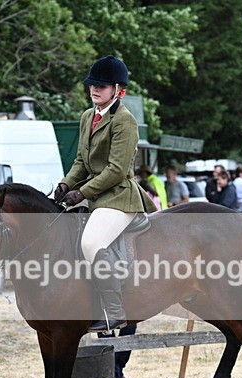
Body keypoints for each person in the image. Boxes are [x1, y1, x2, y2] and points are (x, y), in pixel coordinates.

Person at [53, 55, 158, 331]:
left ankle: (114, 311)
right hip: (96, 197)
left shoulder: (125, 121)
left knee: (91, 243)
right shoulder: (88, 116)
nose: (94, 89)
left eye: (101, 86)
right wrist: (66, 184)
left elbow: (115, 170)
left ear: (118, 90)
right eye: (92, 85)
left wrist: (81, 192)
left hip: (119, 198)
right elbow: (80, 162)